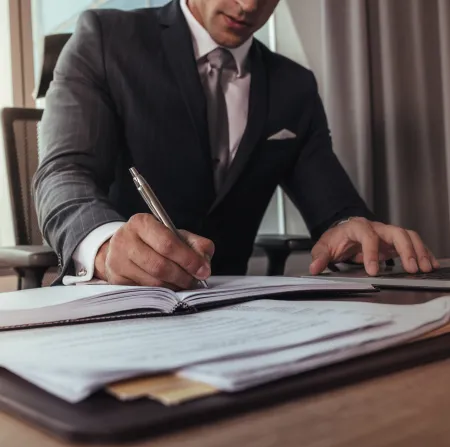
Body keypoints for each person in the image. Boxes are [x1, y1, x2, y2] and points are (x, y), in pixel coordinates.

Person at [34, 0, 439, 289]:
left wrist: (351, 231)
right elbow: (63, 173)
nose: (249, 6)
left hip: (231, 310)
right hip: (113, 303)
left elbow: (336, 211)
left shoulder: (293, 86)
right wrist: (105, 246)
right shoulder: (105, 38)